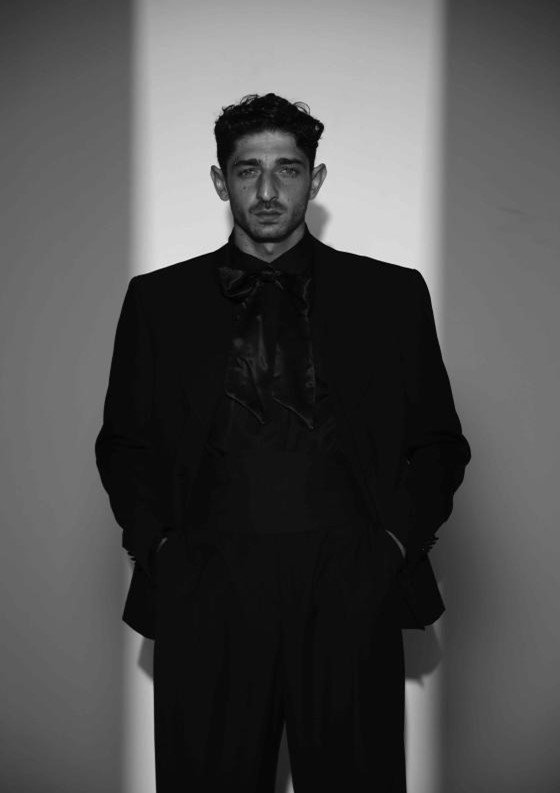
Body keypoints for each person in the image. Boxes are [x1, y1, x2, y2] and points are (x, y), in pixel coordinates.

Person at [95, 93, 471, 793]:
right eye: (248, 170)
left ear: (315, 180)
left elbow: (438, 443)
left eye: (288, 170)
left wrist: (391, 549)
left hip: (348, 586)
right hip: (207, 588)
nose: (268, 191)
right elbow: (124, 444)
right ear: (221, 181)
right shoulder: (158, 301)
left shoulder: (390, 295)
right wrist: (164, 552)